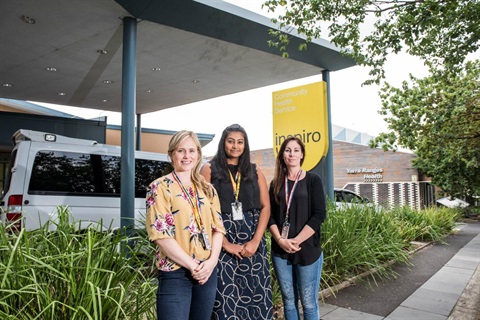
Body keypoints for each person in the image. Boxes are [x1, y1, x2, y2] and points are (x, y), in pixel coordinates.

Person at [146, 130, 226, 320]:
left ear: (198, 154)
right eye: (181, 151)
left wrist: (211, 262)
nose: (187, 156)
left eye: (191, 151)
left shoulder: (208, 188)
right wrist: (192, 266)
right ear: (171, 154)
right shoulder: (159, 187)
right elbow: (161, 235)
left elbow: (218, 229)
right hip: (176, 272)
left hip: (206, 272)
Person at [200, 124, 274, 320]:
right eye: (231, 141)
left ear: (245, 145)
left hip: (252, 240)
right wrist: (225, 244)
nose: (235, 146)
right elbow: (202, 211)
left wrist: (256, 241)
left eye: (240, 142)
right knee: (225, 298)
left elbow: (265, 207)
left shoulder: (254, 170)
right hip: (221, 239)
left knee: (257, 296)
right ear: (223, 143)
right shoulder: (209, 169)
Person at [268, 136, 327, 320]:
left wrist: (295, 241)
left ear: (302, 154)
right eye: (287, 150)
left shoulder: (313, 180)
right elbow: (268, 216)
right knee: (289, 302)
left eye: (295, 150)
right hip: (281, 251)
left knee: (309, 304)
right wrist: (280, 240)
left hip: (307, 249)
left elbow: (319, 215)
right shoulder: (276, 183)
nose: (291, 154)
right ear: (282, 155)